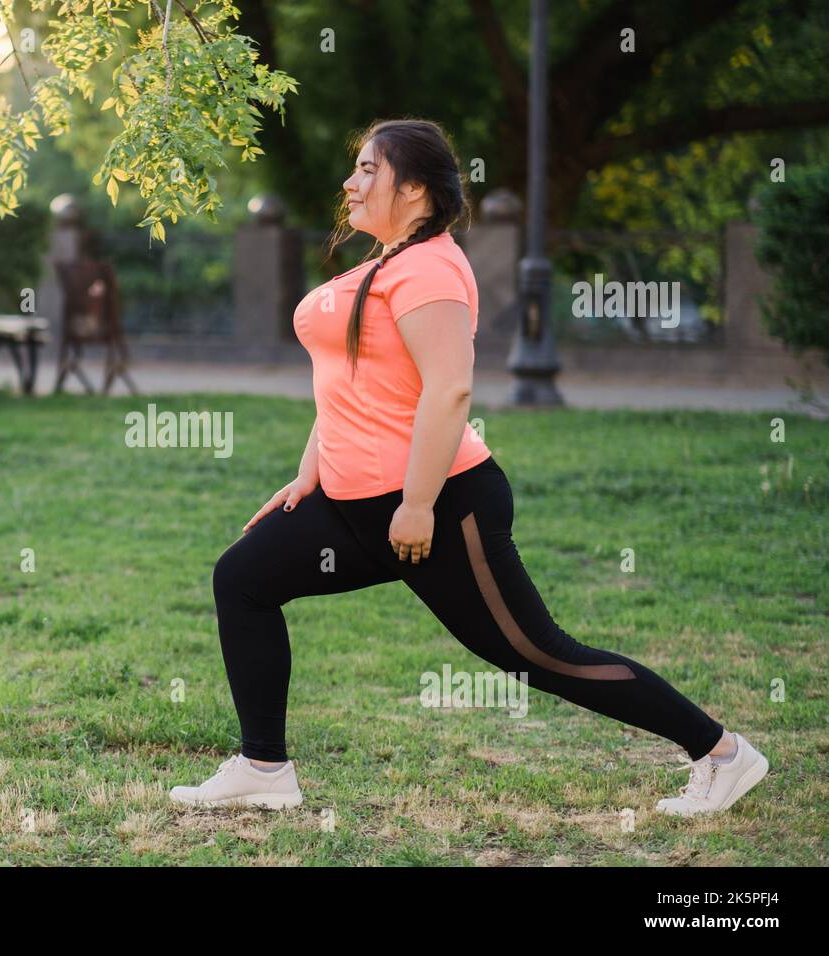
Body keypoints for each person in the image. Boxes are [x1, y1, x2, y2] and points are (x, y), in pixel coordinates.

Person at [169, 119, 769, 815]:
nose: (349, 182)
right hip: (353, 504)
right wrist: (312, 471)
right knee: (242, 577)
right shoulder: (381, 266)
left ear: (416, 187)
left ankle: (721, 752)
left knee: (538, 654)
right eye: (353, 168)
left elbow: (449, 387)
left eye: (368, 169)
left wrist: (419, 504)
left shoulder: (430, 268)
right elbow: (352, 379)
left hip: (441, 505)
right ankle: (263, 768)